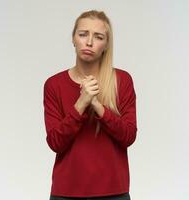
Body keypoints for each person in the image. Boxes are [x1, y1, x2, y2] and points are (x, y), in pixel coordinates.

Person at [43, 10, 137, 200]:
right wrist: (81, 103)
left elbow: (128, 136)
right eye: (83, 34)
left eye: (98, 36)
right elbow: (55, 143)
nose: (89, 42)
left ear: (106, 45)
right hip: (66, 192)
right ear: (73, 38)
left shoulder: (122, 80)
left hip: (113, 192)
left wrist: (97, 105)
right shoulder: (54, 84)